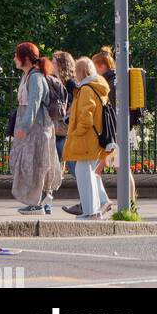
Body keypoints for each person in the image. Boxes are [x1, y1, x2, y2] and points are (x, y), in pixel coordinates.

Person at [10, 42, 62, 215]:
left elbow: (34, 103)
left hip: (37, 128)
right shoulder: (28, 76)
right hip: (32, 127)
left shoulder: (35, 77)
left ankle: (38, 203)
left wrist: (24, 126)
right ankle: (39, 201)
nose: (14, 59)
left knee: (37, 163)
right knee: (29, 163)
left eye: (16, 55)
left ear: (24, 58)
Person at [61, 56, 111, 220]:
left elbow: (86, 118)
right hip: (94, 139)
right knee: (89, 174)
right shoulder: (97, 87)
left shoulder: (86, 89)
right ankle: (94, 210)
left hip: (86, 140)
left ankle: (91, 212)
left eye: (76, 71)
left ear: (81, 72)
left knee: (84, 174)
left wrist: (75, 133)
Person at [91, 47, 137, 208]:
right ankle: (129, 204)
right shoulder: (115, 79)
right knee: (120, 169)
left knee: (98, 170)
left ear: (101, 66)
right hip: (121, 131)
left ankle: (104, 203)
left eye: (94, 66)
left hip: (116, 133)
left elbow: (112, 110)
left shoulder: (110, 82)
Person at [51, 50, 78, 167]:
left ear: (61, 65)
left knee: (74, 167)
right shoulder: (54, 82)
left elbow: (80, 100)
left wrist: (68, 112)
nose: (51, 65)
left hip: (66, 132)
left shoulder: (71, 83)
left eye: (53, 63)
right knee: (53, 169)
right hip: (56, 131)